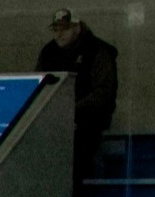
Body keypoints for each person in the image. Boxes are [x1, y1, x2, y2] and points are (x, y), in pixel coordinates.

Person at [35, 10, 118, 184]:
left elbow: (103, 92)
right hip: (56, 117)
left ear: (77, 28)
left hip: (88, 119)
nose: (59, 33)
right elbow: (37, 86)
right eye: (56, 29)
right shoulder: (49, 52)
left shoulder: (97, 50)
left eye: (64, 28)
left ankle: (74, 190)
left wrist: (73, 111)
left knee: (77, 146)